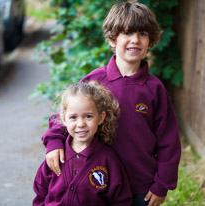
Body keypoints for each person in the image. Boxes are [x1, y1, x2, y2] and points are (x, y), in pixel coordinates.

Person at [41, 1, 181, 206]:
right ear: (111, 39)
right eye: (127, 33)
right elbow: (65, 114)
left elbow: (169, 141)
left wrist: (162, 184)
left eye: (142, 34)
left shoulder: (154, 89)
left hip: (140, 187)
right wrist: (53, 142)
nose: (135, 40)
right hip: (97, 183)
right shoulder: (95, 81)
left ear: (150, 40)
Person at [33, 81, 133, 206]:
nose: (81, 124)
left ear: (100, 118)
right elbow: (41, 193)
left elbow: (120, 200)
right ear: (63, 119)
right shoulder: (55, 157)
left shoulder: (108, 160)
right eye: (73, 117)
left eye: (88, 116)